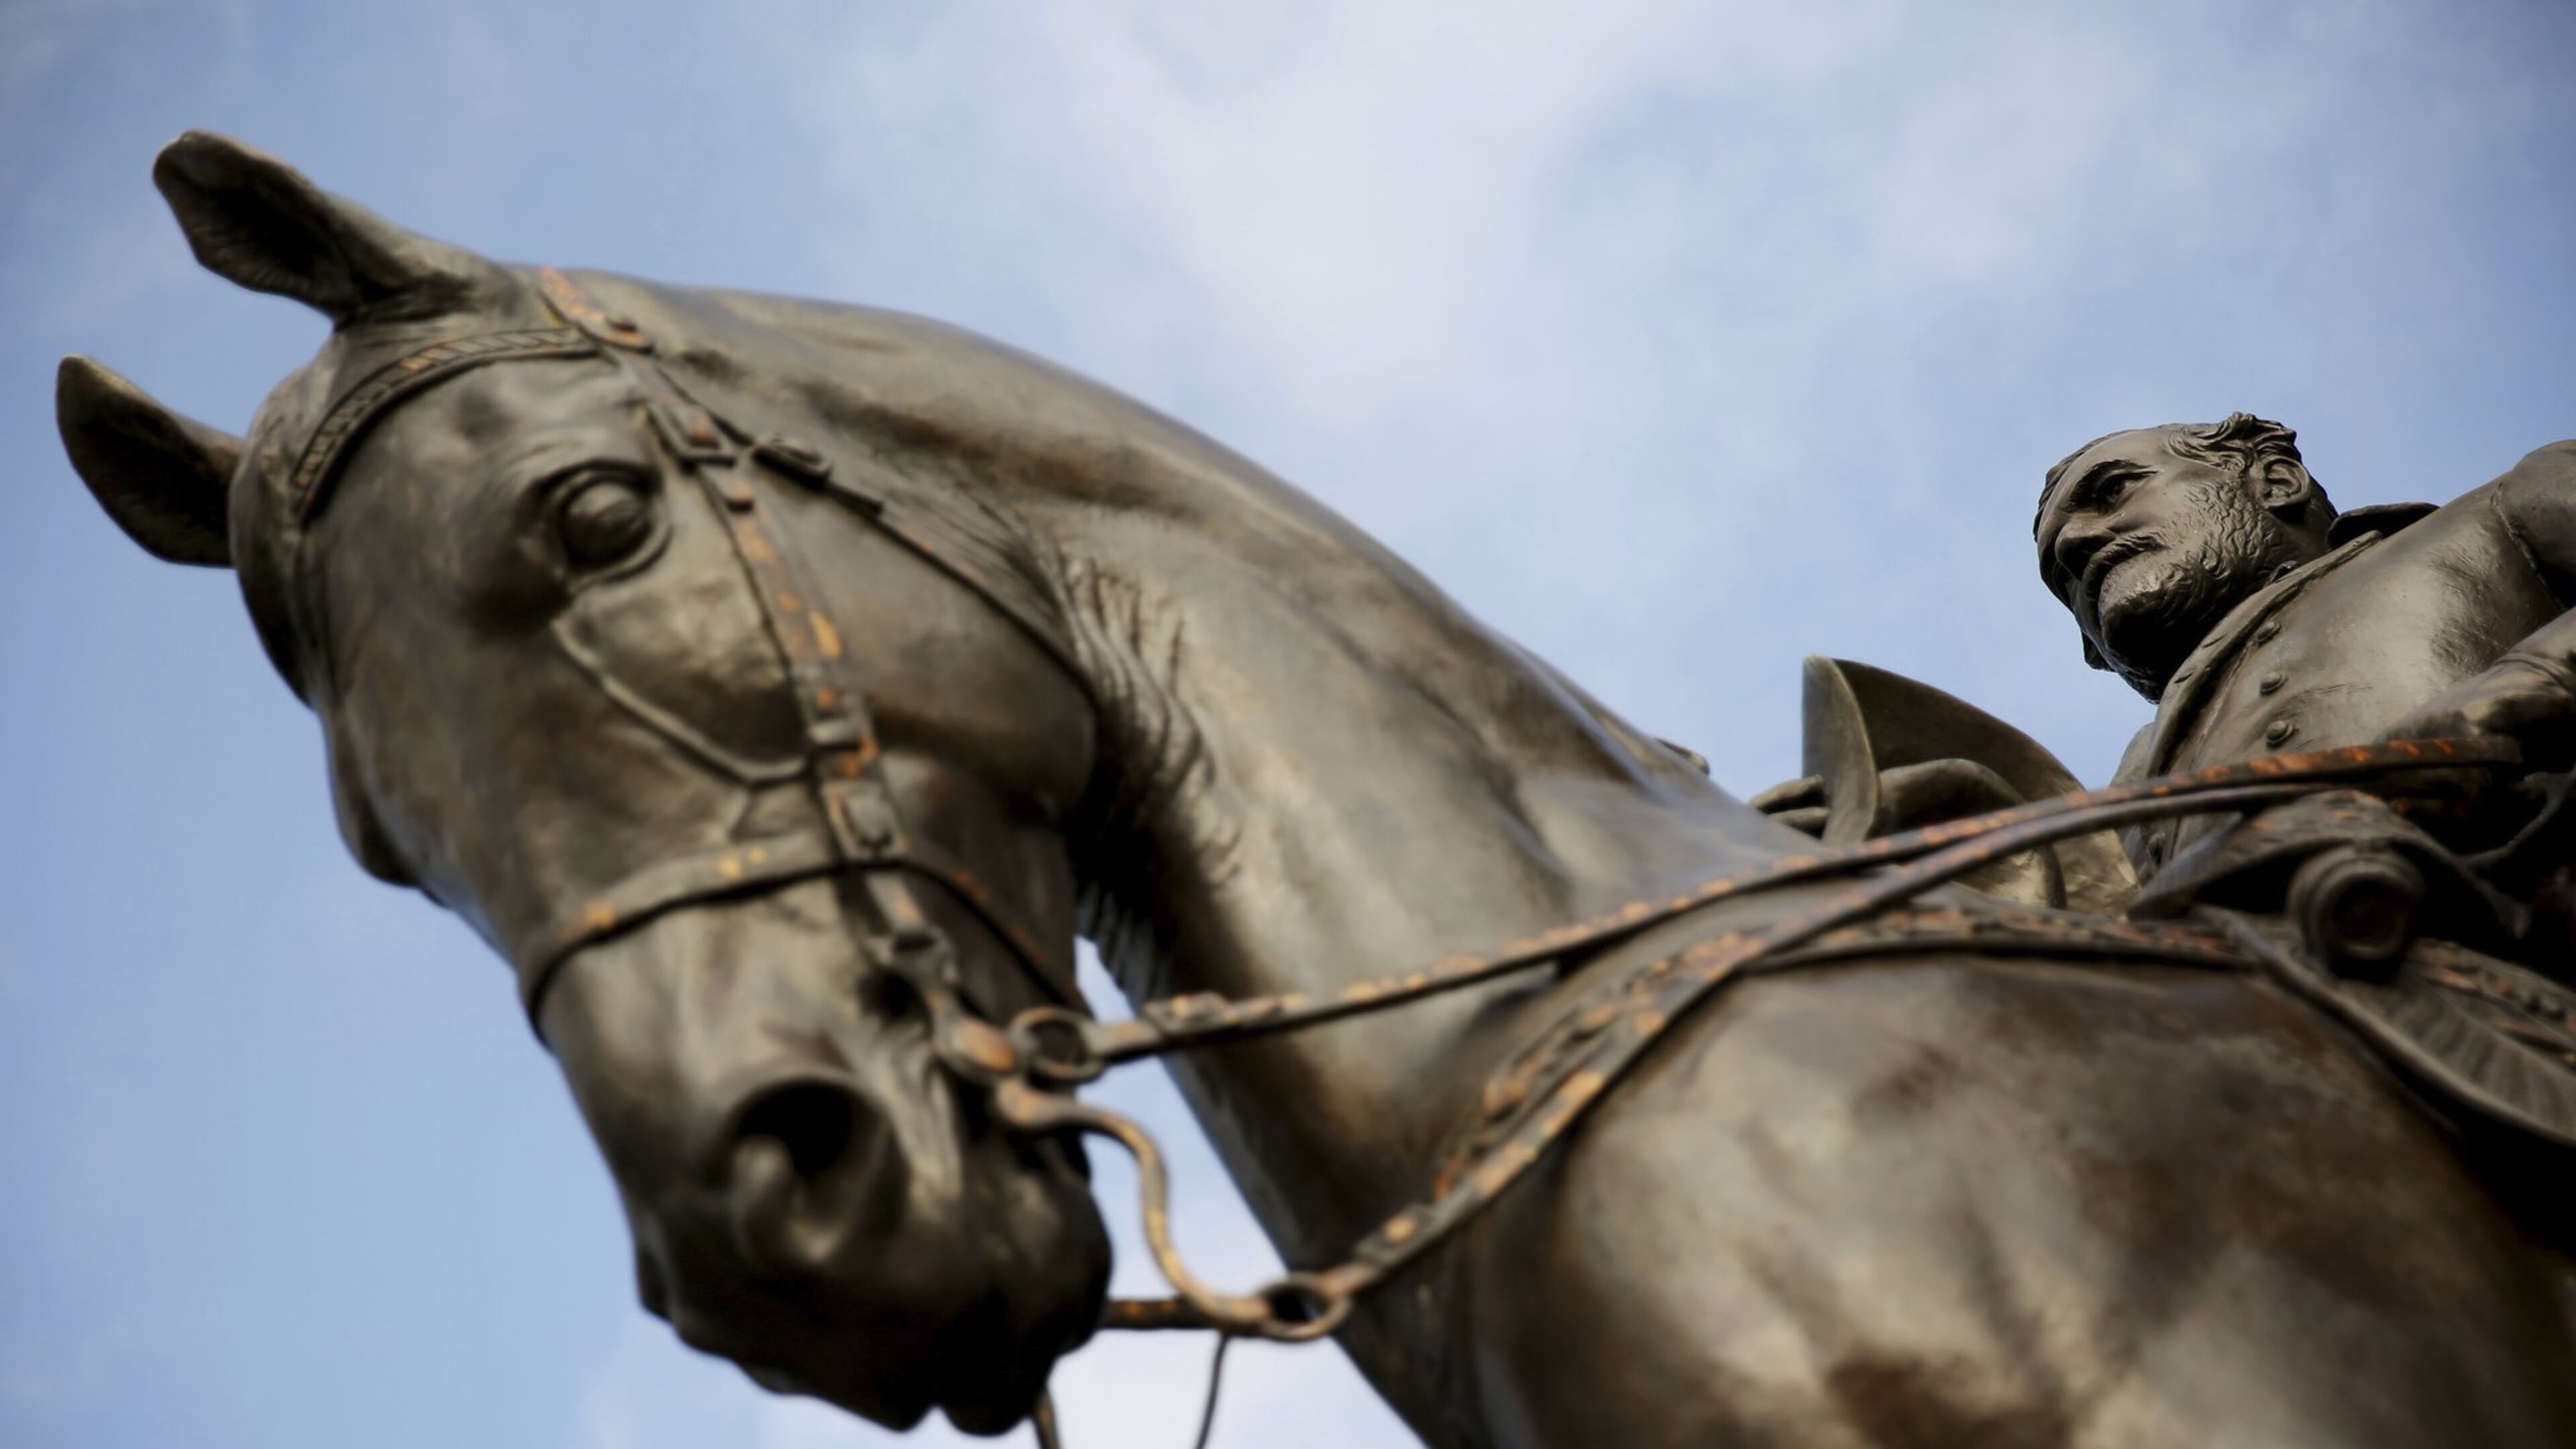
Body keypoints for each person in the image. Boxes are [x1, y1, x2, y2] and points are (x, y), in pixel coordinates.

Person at [2033, 414, 2576, 875]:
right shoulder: (2123, 795)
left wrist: (2527, 689)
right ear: (2094, 652)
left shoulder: (2503, 512)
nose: (2076, 544)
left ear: (2276, 480)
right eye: (2063, 577)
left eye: (2112, 491)